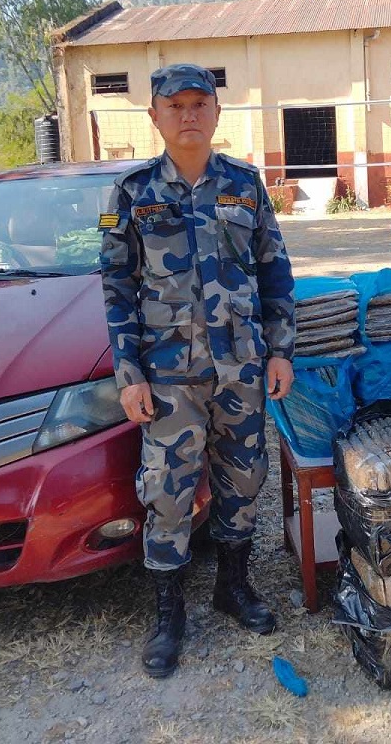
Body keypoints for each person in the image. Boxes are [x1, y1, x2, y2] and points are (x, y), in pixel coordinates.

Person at [100, 63, 296, 678]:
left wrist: (282, 349)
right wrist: (128, 373)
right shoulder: (132, 194)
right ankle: (168, 615)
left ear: (215, 113)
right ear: (154, 115)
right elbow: (115, 288)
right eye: (175, 104)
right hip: (166, 376)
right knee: (167, 489)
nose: (189, 114)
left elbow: (275, 270)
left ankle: (233, 588)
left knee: (243, 478)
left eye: (199, 103)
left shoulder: (244, 184)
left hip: (240, 365)